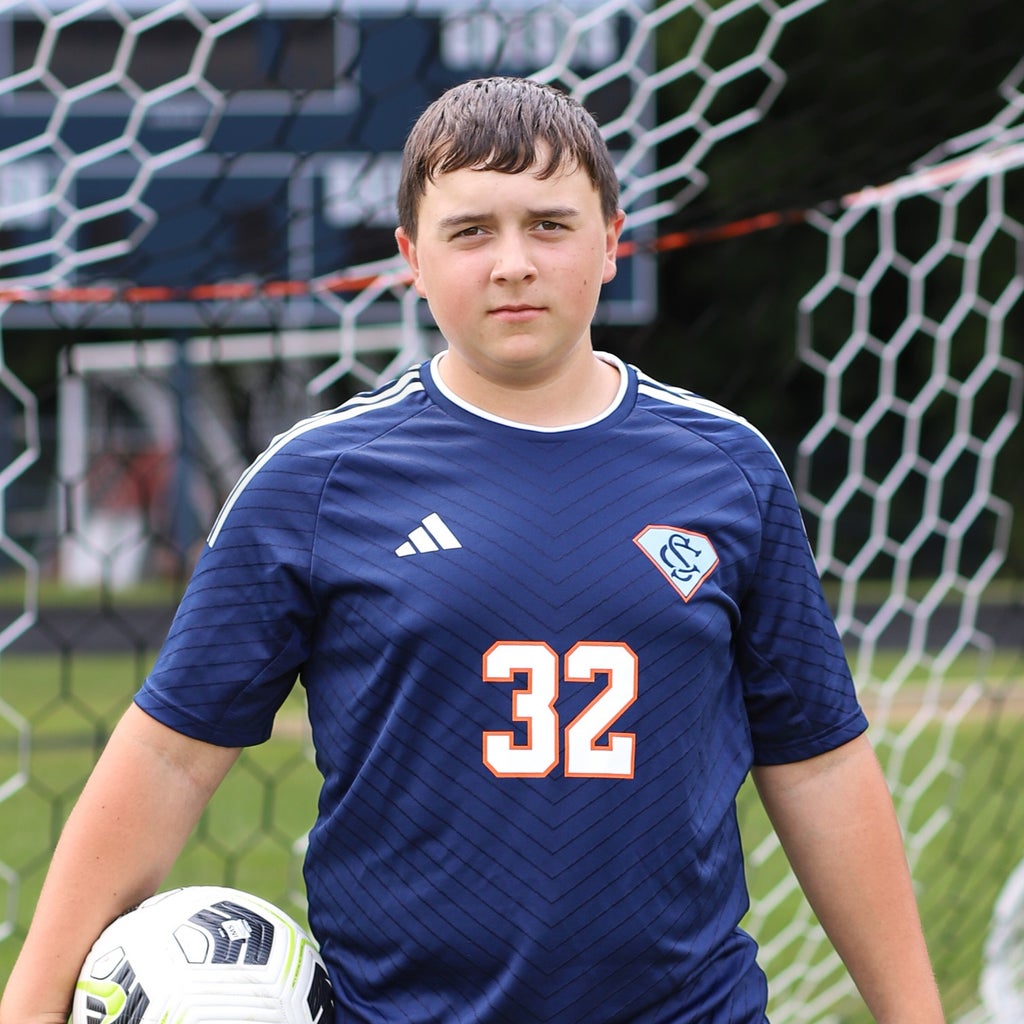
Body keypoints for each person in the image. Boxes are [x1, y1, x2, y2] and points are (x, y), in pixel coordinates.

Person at [1, 76, 944, 1024]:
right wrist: (32, 1005)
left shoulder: (726, 470)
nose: (513, 264)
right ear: (412, 257)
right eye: (471, 231)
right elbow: (170, 757)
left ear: (612, 241)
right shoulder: (316, 482)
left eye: (550, 225)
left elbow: (818, 762)